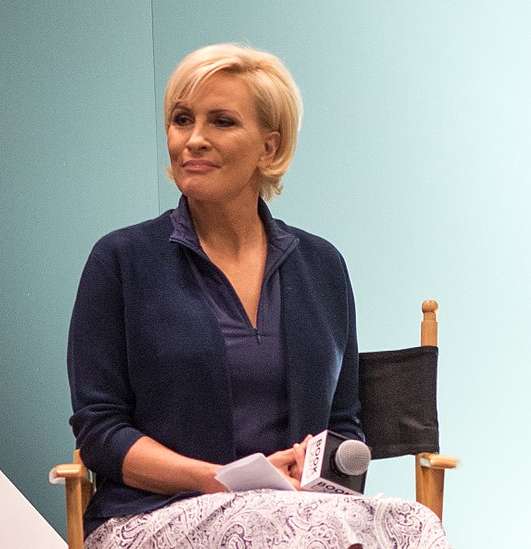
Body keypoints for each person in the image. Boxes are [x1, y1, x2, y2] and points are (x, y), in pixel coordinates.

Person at [68, 43, 451, 548]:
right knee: (288, 525)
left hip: (303, 510)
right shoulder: (120, 260)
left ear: (269, 148)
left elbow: (343, 423)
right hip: (152, 515)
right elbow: (100, 433)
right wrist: (218, 477)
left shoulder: (323, 266)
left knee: (415, 525)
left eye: (221, 122)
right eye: (182, 120)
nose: (194, 139)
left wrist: (312, 466)